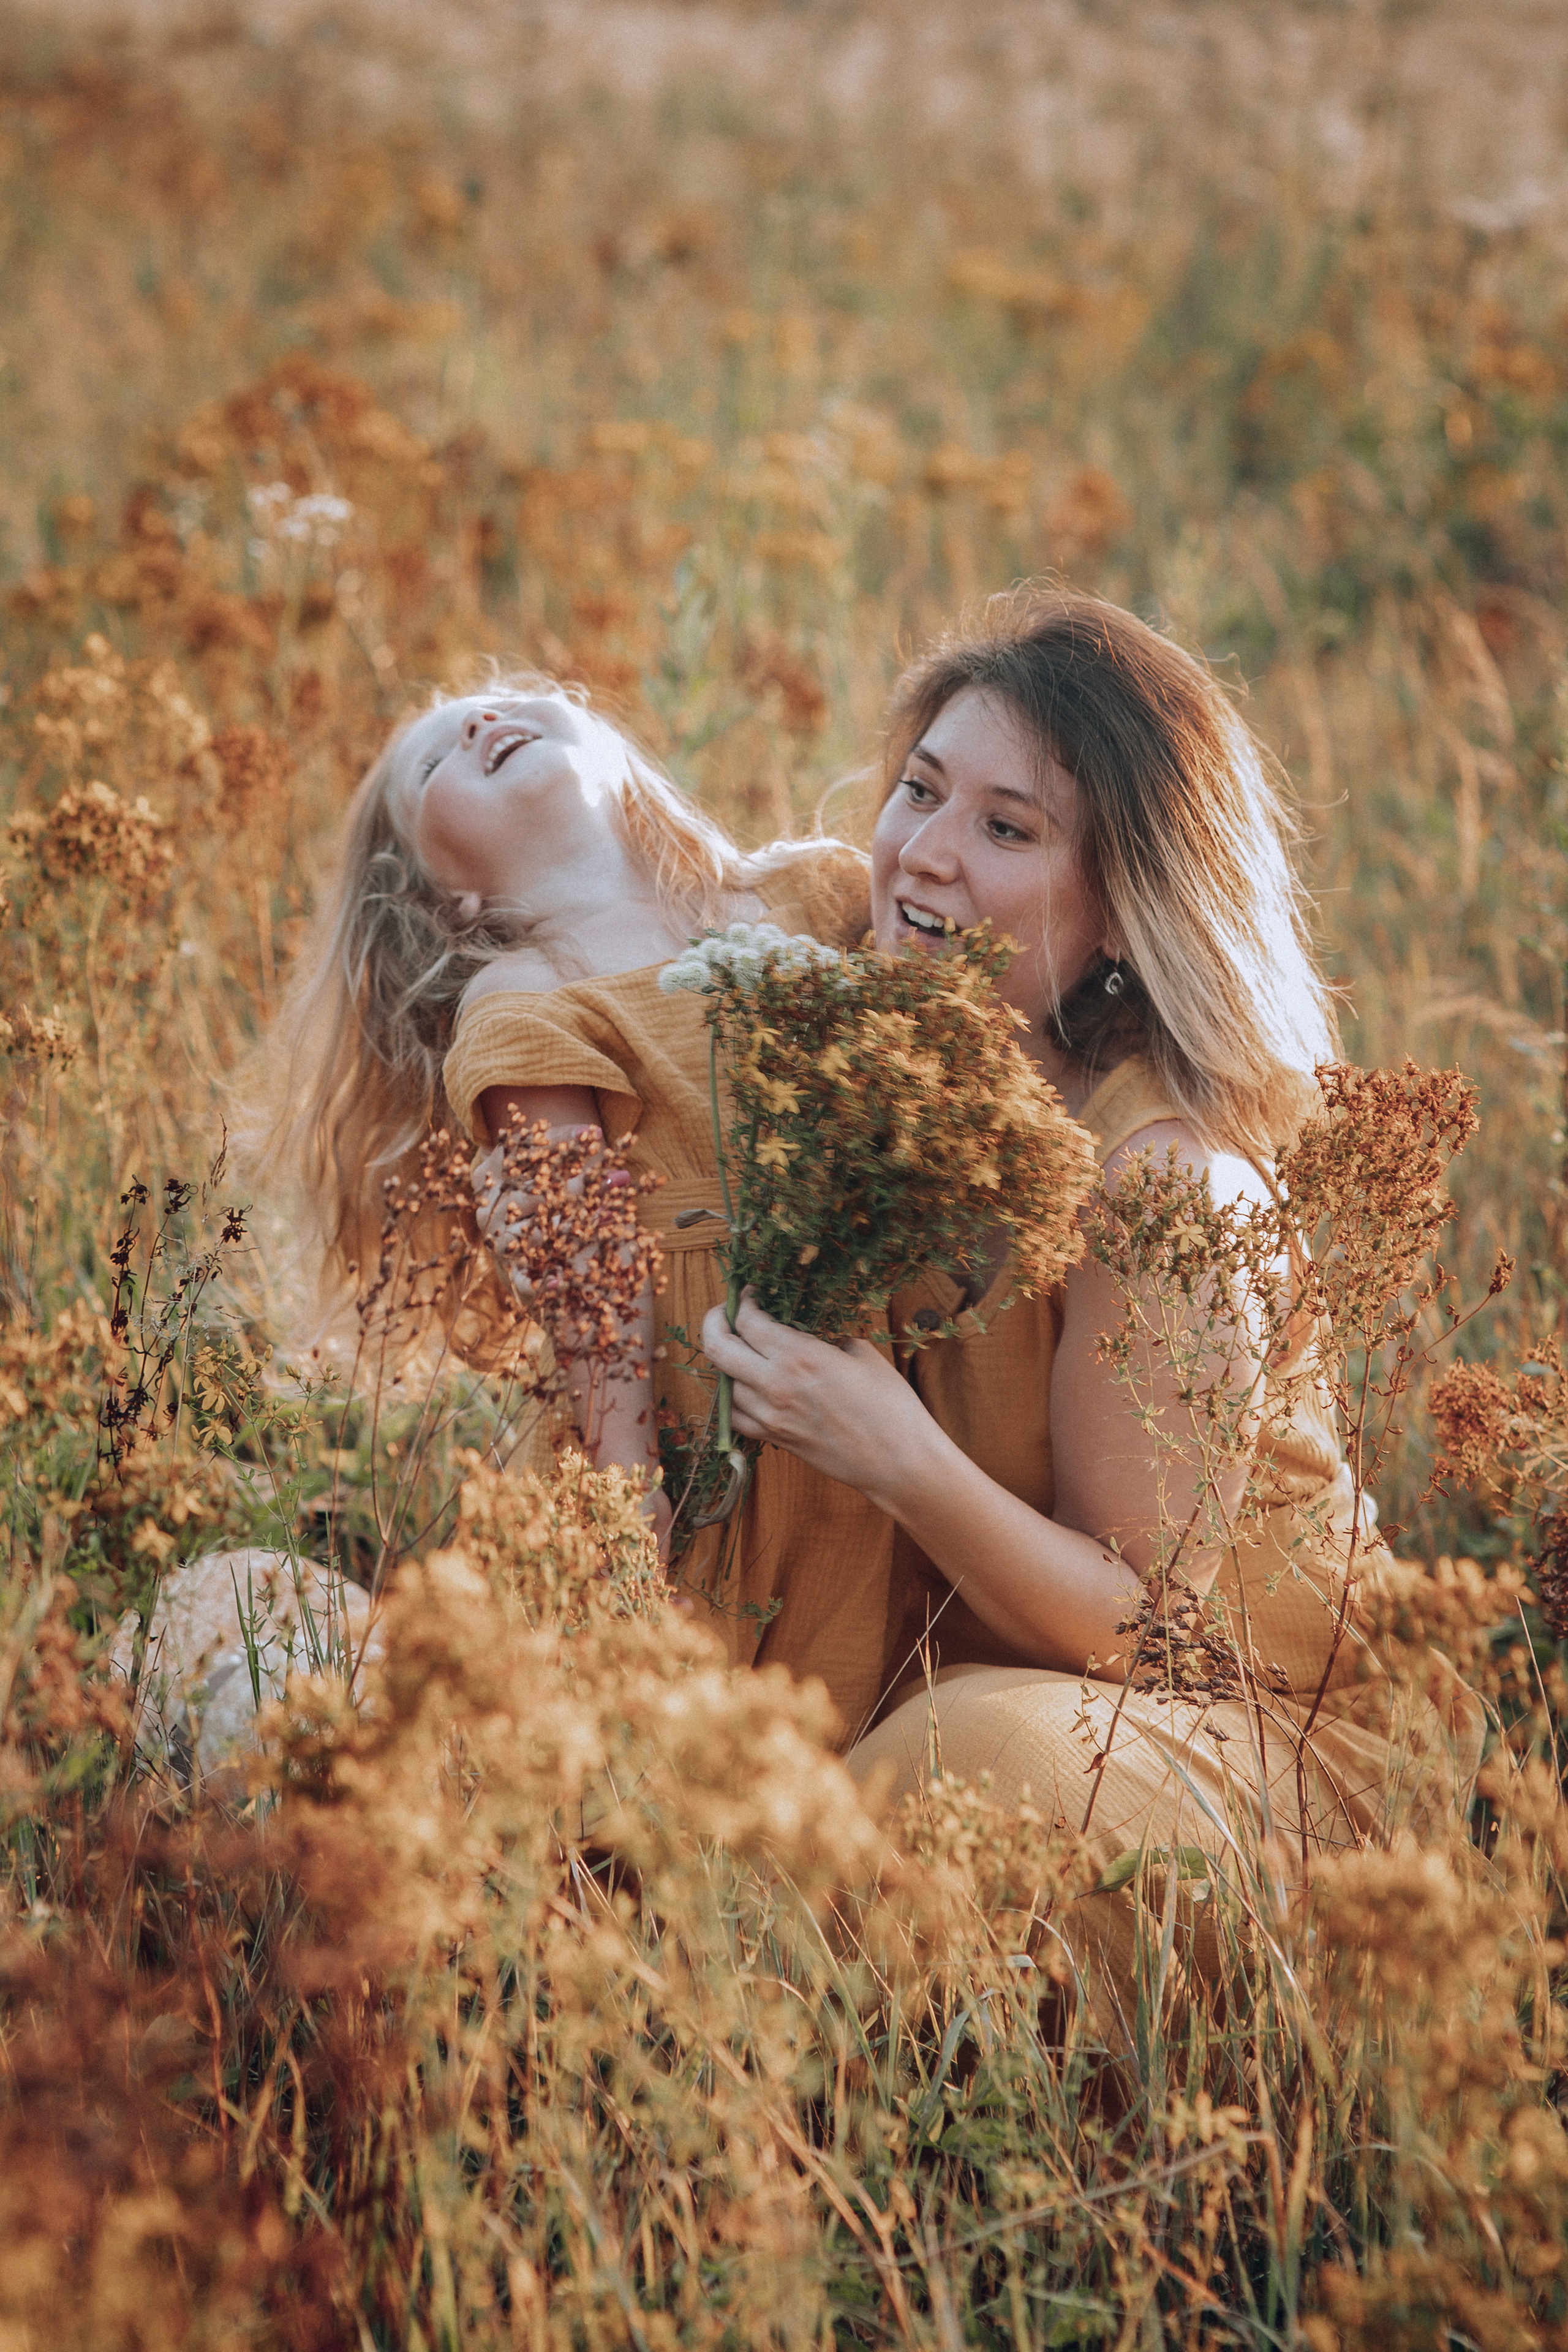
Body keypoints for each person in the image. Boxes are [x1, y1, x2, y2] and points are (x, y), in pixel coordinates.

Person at [700, 588, 1483, 2014]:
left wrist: (895, 1454)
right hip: (1010, 1691)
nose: (923, 856)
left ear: (1122, 906)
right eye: (920, 792)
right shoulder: (890, 1056)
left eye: (1007, 829)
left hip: (1252, 1741)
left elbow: (1155, 1632)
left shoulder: (1162, 1183)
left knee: (966, 1772)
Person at [270, 672, 897, 1743]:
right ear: (439, 900)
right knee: (719, 1721)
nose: (480, 719)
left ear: (614, 748)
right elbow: (586, 1260)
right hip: (708, 1428)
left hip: (885, 1374)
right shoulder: (524, 995)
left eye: (513, 697)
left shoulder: (808, 895)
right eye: (434, 761)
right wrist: (623, 1491)